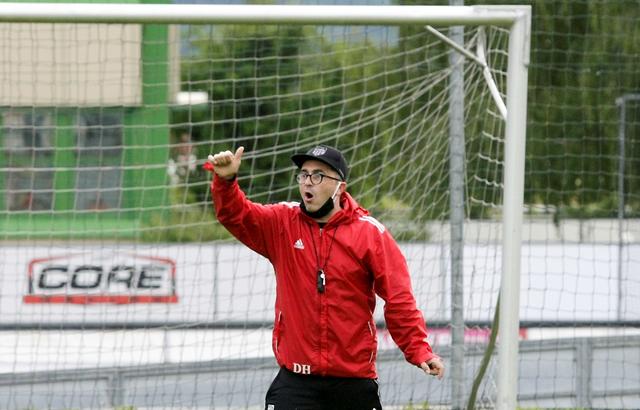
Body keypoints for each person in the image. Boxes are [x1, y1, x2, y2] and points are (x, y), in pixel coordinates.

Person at [205, 144, 444, 410]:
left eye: (318, 175)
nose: (308, 182)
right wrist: (226, 181)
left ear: (340, 187)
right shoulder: (282, 222)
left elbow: (399, 299)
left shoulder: (370, 234)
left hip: (352, 382)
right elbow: (235, 215)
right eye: (304, 174)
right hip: (295, 382)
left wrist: (419, 350)